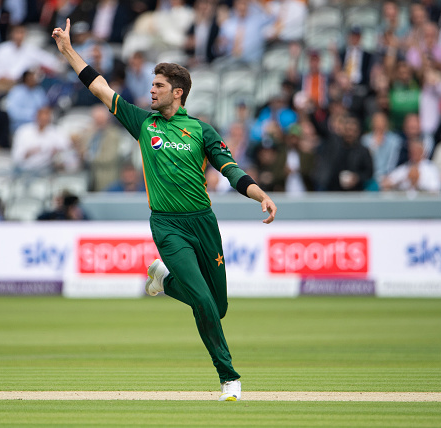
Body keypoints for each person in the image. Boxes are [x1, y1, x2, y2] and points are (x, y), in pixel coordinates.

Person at [52, 19, 277, 402]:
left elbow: (230, 169)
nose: (150, 90)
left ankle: (163, 278)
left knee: (217, 308)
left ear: (178, 92)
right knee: (203, 302)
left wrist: (260, 195)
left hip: (203, 224)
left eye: (158, 86)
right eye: (151, 84)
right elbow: (100, 87)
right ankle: (229, 378)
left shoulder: (201, 131)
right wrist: (69, 51)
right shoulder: (143, 123)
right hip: (168, 225)